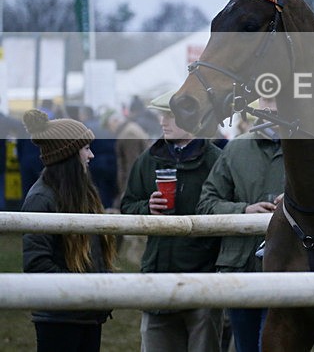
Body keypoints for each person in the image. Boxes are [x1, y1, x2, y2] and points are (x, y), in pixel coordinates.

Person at [120, 90, 223, 352]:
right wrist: (147, 208)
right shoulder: (147, 159)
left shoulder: (216, 161)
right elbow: (128, 206)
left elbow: (225, 208)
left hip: (203, 278)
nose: (162, 121)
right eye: (162, 115)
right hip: (158, 274)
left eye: (171, 115)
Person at [20, 109, 117, 352]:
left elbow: (94, 254)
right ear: (69, 154)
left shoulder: (83, 194)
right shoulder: (41, 199)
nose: (92, 155)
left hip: (87, 313)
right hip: (59, 317)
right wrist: (85, 289)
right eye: (86, 148)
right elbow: (37, 264)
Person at [196, 98, 286, 352]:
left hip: (287, 268)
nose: (272, 111)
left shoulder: (308, 149)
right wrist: (245, 210)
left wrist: (294, 204)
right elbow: (206, 203)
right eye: (266, 105)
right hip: (240, 267)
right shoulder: (236, 148)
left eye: (278, 103)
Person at [105, 111, 150, 210]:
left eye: (109, 125)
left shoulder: (128, 134)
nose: (110, 130)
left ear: (115, 121)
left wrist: (127, 191)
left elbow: (132, 165)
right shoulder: (130, 130)